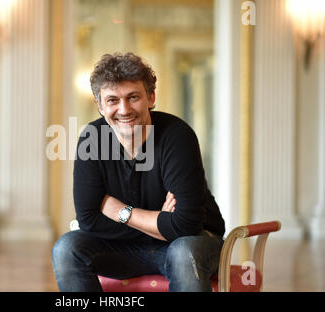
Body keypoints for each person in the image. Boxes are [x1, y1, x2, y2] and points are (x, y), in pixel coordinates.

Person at [51, 52, 225, 292]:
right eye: (112, 100)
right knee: (66, 248)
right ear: (100, 106)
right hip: (125, 248)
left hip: (195, 243)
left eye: (133, 97)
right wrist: (161, 221)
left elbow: (186, 225)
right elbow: (89, 220)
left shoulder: (177, 136)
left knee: (182, 251)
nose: (124, 110)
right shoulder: (92, 139)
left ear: (151, 97)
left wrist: (119, 211)